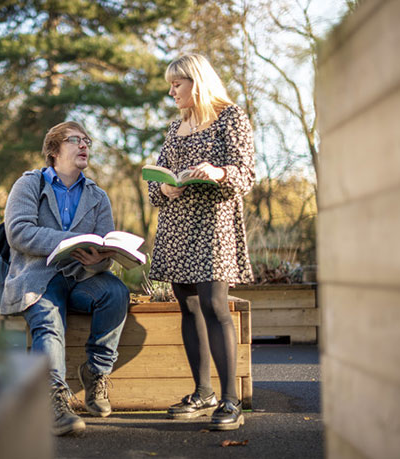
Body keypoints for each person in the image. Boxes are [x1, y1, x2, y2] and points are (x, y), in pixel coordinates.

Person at [147, 53, 255, 431]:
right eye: (170, 85)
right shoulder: (176, 128)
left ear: (197, 81)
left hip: (213, 225)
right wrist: (162, 186)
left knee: (214, 304)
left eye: (177, 83)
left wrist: (218, 170)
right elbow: (154, 183)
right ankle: (203, 392)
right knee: (189, 306)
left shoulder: (231, 116)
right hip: (177, 227)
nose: (171, 91)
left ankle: (230, 400)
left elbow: (246, 173)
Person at [1, 121, 130, 436]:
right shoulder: (29, 184)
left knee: (116, 293)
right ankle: (54, 398)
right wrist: (63, 241)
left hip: (82, 276)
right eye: (76, 140)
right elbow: (18, 232)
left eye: (87, 140)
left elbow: (103, 241)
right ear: (54, 149)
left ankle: (96, 373)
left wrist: (101, 257)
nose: (85, 145)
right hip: (39, 276)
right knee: (48, 320)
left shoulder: (98, 196)